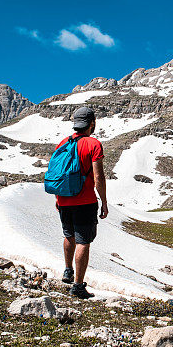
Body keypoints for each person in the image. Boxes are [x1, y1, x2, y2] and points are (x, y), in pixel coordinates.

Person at [54, 106, 108, 299]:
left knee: (69, 236)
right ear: (91, 123)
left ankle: (67, 270)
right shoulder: (93, 144)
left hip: (64, 199)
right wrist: (104, 202)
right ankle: (78, 286)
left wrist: (58, 198)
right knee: (83, 241)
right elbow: (98, 176)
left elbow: (58, 173)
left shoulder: (63, 143)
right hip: (85, 201)